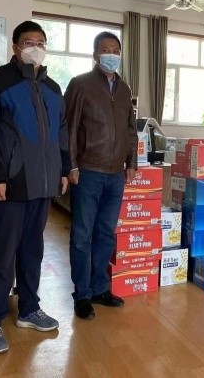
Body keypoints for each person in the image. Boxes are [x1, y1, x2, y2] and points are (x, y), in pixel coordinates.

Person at [0, 20, 71, 355]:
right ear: (15, 47)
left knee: (32, 252)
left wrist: (63, 169)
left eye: (40, 42)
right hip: (10, 184)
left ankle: (28, 309)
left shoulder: (53, 88)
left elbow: (62, 133)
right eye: (28, 42)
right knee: (1, 255)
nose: (35, 47)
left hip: (43, 186)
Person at [64, 31, 138, 320]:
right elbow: (69, 127)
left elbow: (131, 130)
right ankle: (82, 294)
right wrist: (70, 165)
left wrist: (131, 162)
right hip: (88, 172)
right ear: (95, 54)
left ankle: (99, 288)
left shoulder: (124, 89)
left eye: (116, 50)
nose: (112, 54)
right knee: (82, 236)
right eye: (106, 50)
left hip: (116, 175)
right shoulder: (80, 84)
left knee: (106, 234)